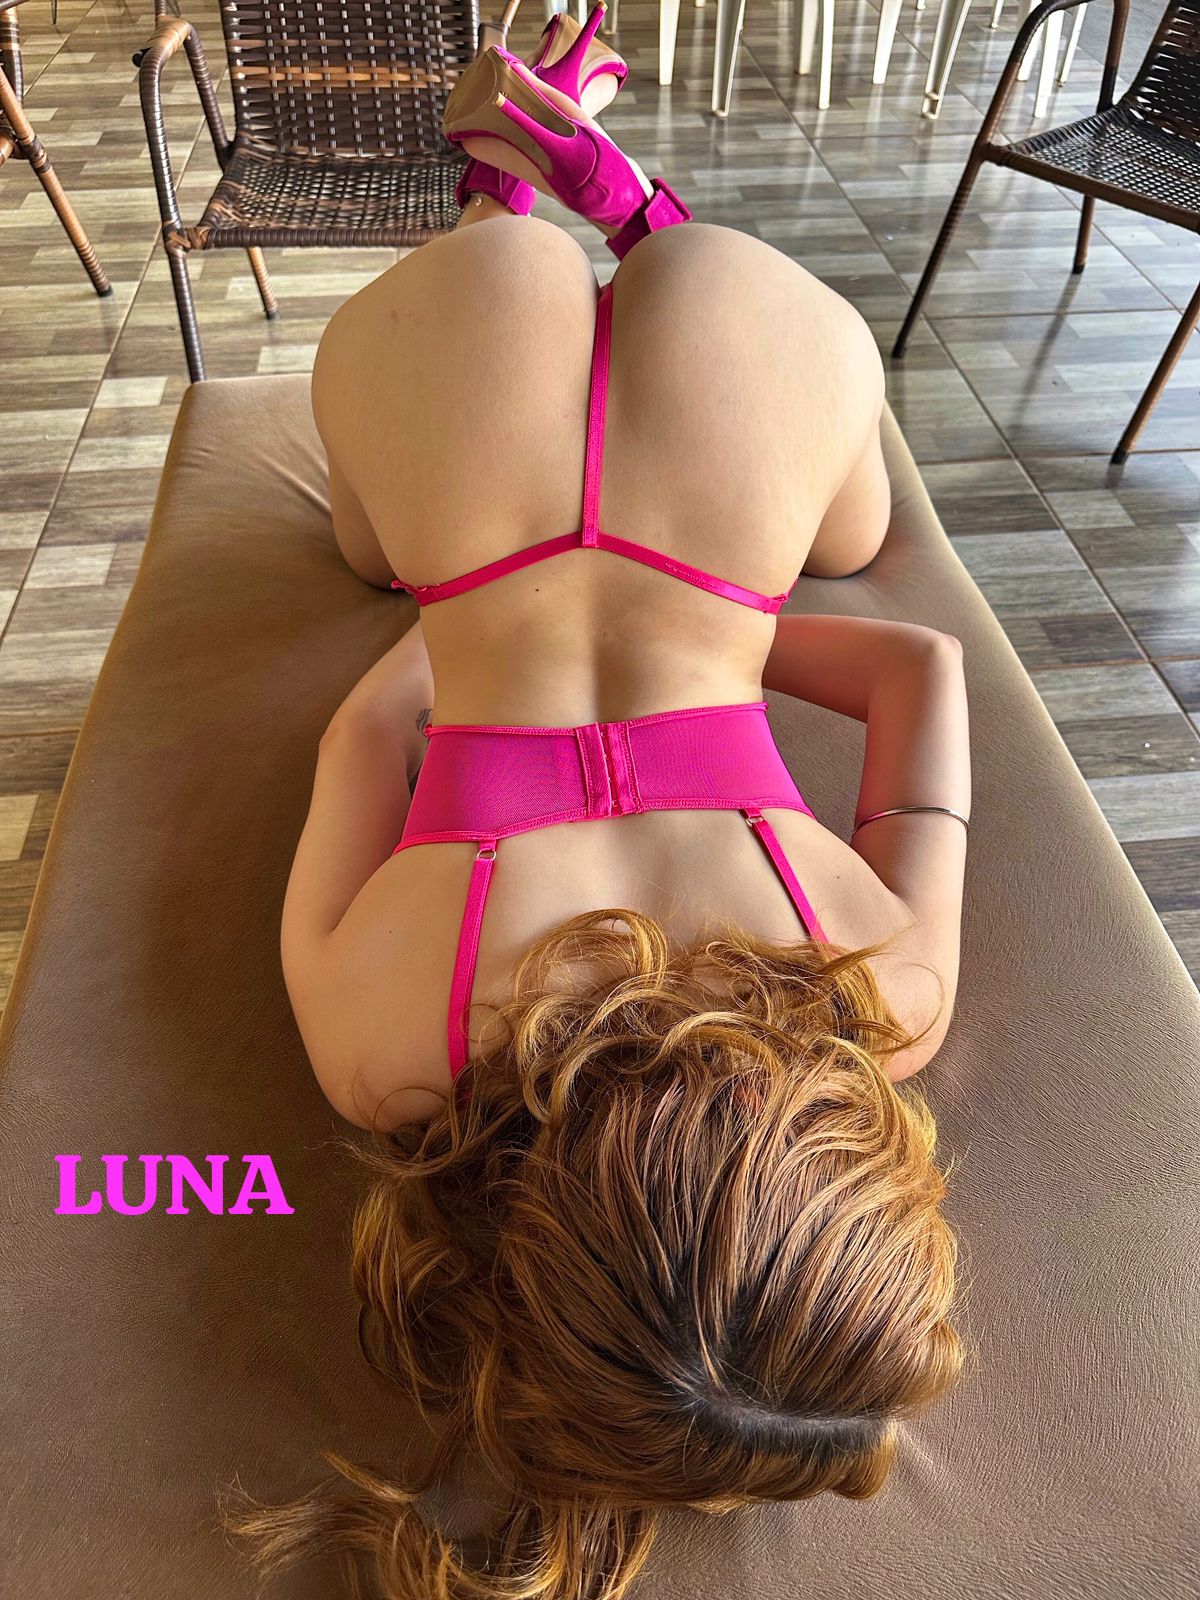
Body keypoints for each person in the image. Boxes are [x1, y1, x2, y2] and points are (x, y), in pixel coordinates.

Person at [225, 8, 970, 1598]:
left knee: (839, 531)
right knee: (384, 546)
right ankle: (509, 213)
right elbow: (368, 735)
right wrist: (488, 623)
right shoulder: (385, 1053)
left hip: (749, 334)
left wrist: (719, 635)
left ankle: (640, 221)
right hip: (453, 367)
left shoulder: (884, 995)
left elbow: (920, 670)